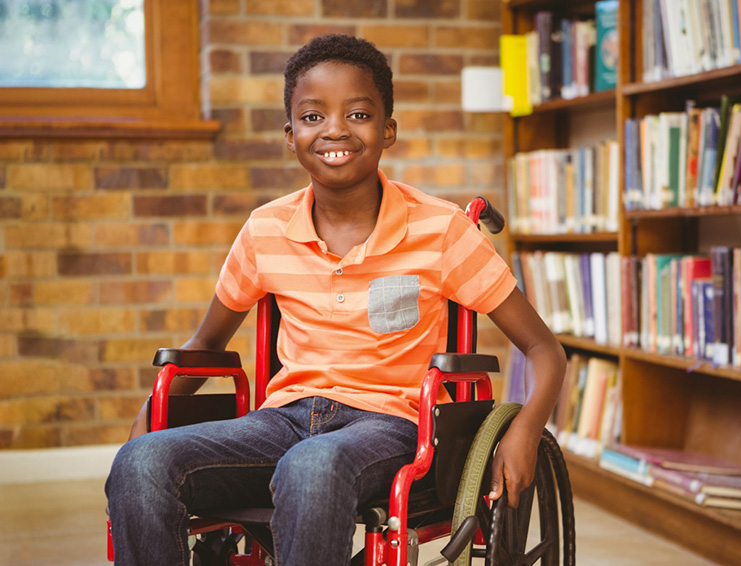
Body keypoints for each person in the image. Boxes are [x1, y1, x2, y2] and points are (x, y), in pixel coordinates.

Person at [105, 34, 565, 566]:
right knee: (141, 463)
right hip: (282, 420)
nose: (335, 130)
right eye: (313, 116)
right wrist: (146, 420)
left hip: (393, 426)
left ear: (387, 130)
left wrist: (527, 430)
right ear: (290, 134)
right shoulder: (265, 230)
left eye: (359, 113)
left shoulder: (441, 231)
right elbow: (206, 342)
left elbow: (544, 349)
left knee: (312, 465)